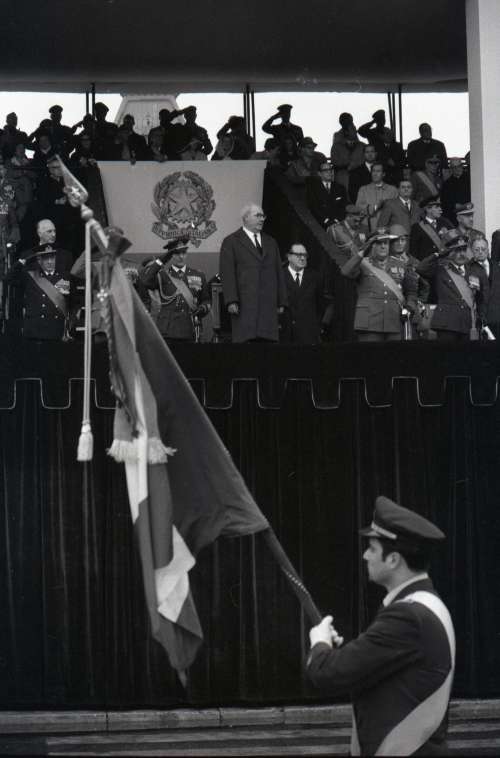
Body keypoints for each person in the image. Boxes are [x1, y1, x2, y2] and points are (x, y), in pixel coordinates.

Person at [307, 495, 454, 756]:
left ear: (393, 559)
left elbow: (326, 673)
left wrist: (319, 642)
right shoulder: (425, 605)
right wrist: (338, 653)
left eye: (372, 549)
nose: (365, 555)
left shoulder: (407, 616)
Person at [219, 203, 287, 342]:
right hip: (245, 306)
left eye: (263, 216)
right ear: (246, 218)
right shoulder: (231, 241)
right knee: (246, 347)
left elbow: (279, 272)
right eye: (258, 215)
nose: (262, 219)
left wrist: (281, 301)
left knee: (267, 347)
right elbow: (227, 273)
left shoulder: (271, 242)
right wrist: (231, 300)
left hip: (268, 308)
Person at [340, 228, 416, 342]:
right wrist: (361, 252)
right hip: (369, 322)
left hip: (393, 320)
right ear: (371, 245)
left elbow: (411, 291)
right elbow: (345, 272)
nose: (383, 246)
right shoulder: (362, 263)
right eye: (379, 243)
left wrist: (409, 306)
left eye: (386, 243)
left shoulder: (401, 265)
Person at [3, 219, 73, 340]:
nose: (53, 234)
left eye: (54, 231)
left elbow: (70, 283)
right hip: (34, 323)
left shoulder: (65, 256)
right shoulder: (29, 255)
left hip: (56, 323)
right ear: (39, 233)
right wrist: (21, 262)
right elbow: (9, 278)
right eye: (49, 231)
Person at [415, 228, 488, 341]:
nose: (461, 254)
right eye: (457, 250)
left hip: (468, 323)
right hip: (447, 325)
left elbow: (481, 298)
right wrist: (439, 254)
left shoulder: (475, 270)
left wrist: (482, 318)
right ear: (449, 252)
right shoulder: (440, 269)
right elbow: (420, 268)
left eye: (463, 249)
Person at [139, 237, 210, 342]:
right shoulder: (162, 275)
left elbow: (206, 300)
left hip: (190, 329)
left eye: (184, 253)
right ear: (170, 255)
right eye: (177, 253)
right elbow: (145, 280)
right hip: (168, 330)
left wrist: (203, 308)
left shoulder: (199, 275)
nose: (181, 257)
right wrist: (162, 260)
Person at [280, 243, 333, 344]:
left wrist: (318, 326)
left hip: (309, 335)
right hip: (284, 335)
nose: (302, 258)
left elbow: (321, 305)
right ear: (289, 257)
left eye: (305, 255)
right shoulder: (278, 276)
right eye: (298, 255)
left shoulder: (315, 277)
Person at [471, 236, 500, 339]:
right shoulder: (468, 268)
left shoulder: (497, 266)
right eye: (477, 249)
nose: (480, 252)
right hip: (481, 319)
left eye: (483, 249)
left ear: (488, 250)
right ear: (472, 251)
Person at [355, 162, 398, 232]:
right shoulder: (363, 189)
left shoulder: (392, 190)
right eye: (373, 171)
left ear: (383, 174)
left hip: (386, 229)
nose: (375, 174)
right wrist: (375, 207)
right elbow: (358, 207)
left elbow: (396, 211)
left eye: (378, 171)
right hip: (367, 229)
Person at [409, 195, 453, 261]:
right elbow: (413, 251)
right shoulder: (417, 227)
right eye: (437, 207)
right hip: (427, 264)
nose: (440, 209)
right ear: (428, 209)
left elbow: (454, 242)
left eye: (440, 206)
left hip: (445, 263)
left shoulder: (446, 222)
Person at [306, 161, 347, 228]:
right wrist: (326, 221)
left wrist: (336, 220)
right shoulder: (313, 189)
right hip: (320, 224)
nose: (329, 172)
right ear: (319, 173)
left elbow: (343, 207)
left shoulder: (340, 188)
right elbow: (314, 208)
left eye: (330, 170)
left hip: (338, 223)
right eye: (325, 170)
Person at [330, 114, 365, 192]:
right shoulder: (337, 138)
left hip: (358, 175)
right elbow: (335, 160)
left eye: (350, 121)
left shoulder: (361, 145)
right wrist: (347, 165)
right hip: (344, 175)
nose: (350, 123)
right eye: (348, 121)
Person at [440, 158, 470, 225]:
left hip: (470, 213)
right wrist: (454, 205)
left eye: (459, 166)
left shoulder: (471, 179)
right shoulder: (446, 184)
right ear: (451, 168)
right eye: (454, 167)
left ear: (462, 166)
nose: (457, 169)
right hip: (454, 217)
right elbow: (444, 202)